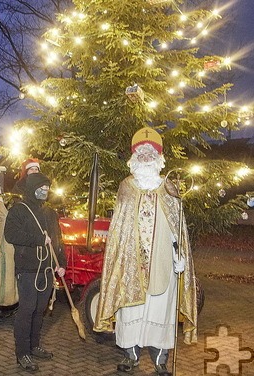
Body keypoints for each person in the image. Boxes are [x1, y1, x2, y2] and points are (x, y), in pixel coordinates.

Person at [94, 127, 198, 376]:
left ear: (159, 158)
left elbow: (178, 227)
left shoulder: (170, 188)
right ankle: (131, 356)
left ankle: (161, 359)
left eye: (151, 153)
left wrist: (179, 255)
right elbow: (119, 227)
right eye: (141, 153)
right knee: (132, 313)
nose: (145, 157)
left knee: (161, 312)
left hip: (164, 265)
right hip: (132, 267)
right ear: (133, 157)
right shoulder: (126, 187)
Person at [4, 172, 66, 372]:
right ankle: (22, 353)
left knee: (40, 310)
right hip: (28, 269)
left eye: (47, 188)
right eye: (41, 187)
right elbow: (11, 234)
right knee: (27, 310)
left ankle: (34, 346)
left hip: (47, 269)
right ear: (32, 188)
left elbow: (58, 240)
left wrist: (61, 263)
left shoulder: (50, 213)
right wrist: (38, 239)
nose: (45, 191)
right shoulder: (18, 210)